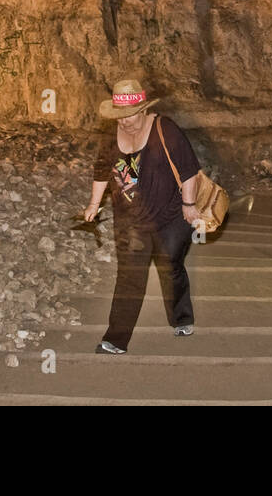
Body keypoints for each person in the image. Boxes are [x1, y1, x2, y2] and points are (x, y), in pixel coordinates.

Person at [84, 77, 203, 354]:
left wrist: (188, 205)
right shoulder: (111, 137)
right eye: (119, 116)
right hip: (130, 220)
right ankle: (116, 339)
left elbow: (188, 171)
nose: (124, 122)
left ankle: (181, 317)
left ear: (143, 110)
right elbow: (102, 171)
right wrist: (93, 204)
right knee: (129, 276)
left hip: (170, 215)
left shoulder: (165, 129)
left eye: (130, 115)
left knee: (170, 266)